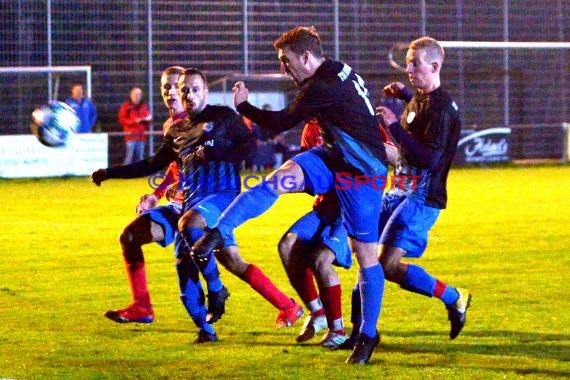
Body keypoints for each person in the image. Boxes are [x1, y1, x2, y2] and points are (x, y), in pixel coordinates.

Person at [192, 26, 388, 364]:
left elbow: (280, 122)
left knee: (365, 256)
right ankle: (217, 232)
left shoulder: (321, 85)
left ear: (307, 57)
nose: (285, 68)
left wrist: (245, 107)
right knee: (277, 180)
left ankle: (368, 335)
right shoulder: (336, 68)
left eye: (286, 61)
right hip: (332, 157)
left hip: (363, 174)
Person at [91, 66, 228, 343]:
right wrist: (112, 173)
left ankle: (291, 307)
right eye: (168, 87)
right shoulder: (174, 129)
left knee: (228, 263)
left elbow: (241, 147)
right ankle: (200, 327)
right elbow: (155, 164)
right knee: (132, 237)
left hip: (208, 205)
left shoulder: (216, 119)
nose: (174, 93)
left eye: (179, 87)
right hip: (179, 206)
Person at [174, 68, 304, 329]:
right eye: (183, 89)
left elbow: (249, 146)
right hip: (196, 199)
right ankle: (289, 306)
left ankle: (216, 291)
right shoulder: (178, 130)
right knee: (232, 261)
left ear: (206, 91)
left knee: (190, 225)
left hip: (221, 199)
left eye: (195, 88)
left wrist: (219, 153)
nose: (189, 94)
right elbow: (168, 164)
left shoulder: (223, 116)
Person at [371, 36, 471, 341]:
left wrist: (394, 127)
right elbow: (419, 117)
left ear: (435, 65)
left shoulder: (442, 109)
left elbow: (428, 158)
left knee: (380, 264)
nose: (409, 70)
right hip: (398, 192)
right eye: (408, 64)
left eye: (415, 64)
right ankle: (354, 330)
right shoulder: (422, 98)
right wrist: (404, 96)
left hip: (421, 198)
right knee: (369, 259)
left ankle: (454, 297)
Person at [278, 118, 350, 349]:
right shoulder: (311, 128)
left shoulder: (353, 118)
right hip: (323, 208)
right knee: (287, 245)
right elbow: (309, 173)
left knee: (320, 259)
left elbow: (381, 160)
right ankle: (317, 312)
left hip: (351, 207)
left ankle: (338, 330)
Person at [118, 86, 152, 164]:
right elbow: (122, 119)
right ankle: (124, 174)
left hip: (141, 136)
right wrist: (134, 121)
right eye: (135, 94)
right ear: (131, 95)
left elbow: (148, 119)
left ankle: (139, 174)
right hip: (130, 136)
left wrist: (147, 120)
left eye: (139, 95)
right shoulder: (126, 107)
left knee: (140, 158)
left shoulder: (144, 106)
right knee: (128, 158)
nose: (137, 97)